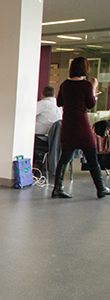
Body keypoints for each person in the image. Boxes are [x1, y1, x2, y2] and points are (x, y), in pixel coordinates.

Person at [52, 57, 110, 199]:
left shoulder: (65, 84)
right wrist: (94, 87)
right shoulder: (86, 85)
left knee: (64, 158)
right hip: (82, 126)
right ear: (85, 69)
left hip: (68, 126)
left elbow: (59, 102)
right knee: (92, 158)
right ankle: (101, 188)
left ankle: (57, 189)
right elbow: (90, 105)